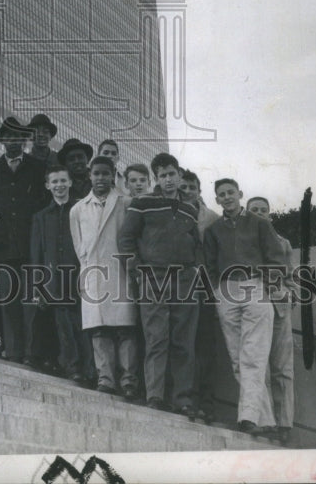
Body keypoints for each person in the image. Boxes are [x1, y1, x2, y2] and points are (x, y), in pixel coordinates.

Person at [118, 152, 201, 416]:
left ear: (179, 175)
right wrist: (137, 271)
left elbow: (196, 245)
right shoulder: (143, 203)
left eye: (172, 174)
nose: (168, 180)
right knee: (156, 338)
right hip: (153, 277)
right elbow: (126, 239)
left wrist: (196, 271)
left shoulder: (190, 208)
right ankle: (155, 395)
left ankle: (182, 398)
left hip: (185, 280)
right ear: (156, 178)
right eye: (162, 175)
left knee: (183, 341)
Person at [204, 178, 286, 435]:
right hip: (227, 290)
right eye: (221, 194)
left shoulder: (259, 224)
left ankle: (247, 416)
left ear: (240, 194)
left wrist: (269, 285)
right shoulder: (213, 230)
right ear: (216, 200)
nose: (227, 197)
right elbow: (209, 265)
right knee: (238, 357)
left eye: (230, 192)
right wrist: (218, 291)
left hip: (255, 286)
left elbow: (275, 257)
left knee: (254, 353)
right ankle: (265, 420)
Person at [0, 116, 48, 365]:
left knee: (30, 301)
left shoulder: (38, 168)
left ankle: (31, 353)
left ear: (24, 139)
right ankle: (14, 351)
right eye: (8, 137)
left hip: (30, 244)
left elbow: (44, 201)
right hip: (4, 244)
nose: (13, 141)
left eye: (18, 137)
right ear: (2, 140)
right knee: (8, 301)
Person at [70, 155, 138, 398]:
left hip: (119, 270)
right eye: (96, 173)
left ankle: (128, 380)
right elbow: (80, 247)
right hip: (93, 273)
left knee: (124, 328)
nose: (100, 178)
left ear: (113, 176)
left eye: (105, 174)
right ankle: (106, 378)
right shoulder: (78, 209)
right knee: (99, 329)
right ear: (90, 175)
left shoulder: (126, 203)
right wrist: (85, 272)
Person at [31, 163, 94, 384]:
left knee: (83, 323)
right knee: (63, 324)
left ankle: (90, 369)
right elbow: (37, 253)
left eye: (62, 180)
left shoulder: (80, 210)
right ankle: (73, 367)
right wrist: (38, 286)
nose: (59, 185)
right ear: (48, 185)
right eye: (54, 181)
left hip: (79, 275)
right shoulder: (41, 216)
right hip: (54, 279)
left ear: (70, 182)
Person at [247, 195, 295, 446]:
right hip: (252, 310)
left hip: (278, 310)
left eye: (263, 210)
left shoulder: (282, 243)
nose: (259, 213)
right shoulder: (242, 241)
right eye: (254, 210)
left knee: (282, 368)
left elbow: (292, 278)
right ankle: (265, 421)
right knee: (258, 367)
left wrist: (288, 293)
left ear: (269, 214)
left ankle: (285, 423)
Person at [180, 168, 221, 424]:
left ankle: (206, 402)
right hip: (180, 285)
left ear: (199, 189)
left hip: (206, 285)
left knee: (205, 344)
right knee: (185, 343)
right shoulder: (171, 212)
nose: (186, 192)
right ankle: (186, 399)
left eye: (191, 188)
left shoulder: (213, 219)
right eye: (182, 188)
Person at [57, 139, 93, 203]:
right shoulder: (59, 186)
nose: (77, 161)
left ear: (87, 159)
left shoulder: (98, 180)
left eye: (80, 157)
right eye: (71, 159)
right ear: (65, 164)